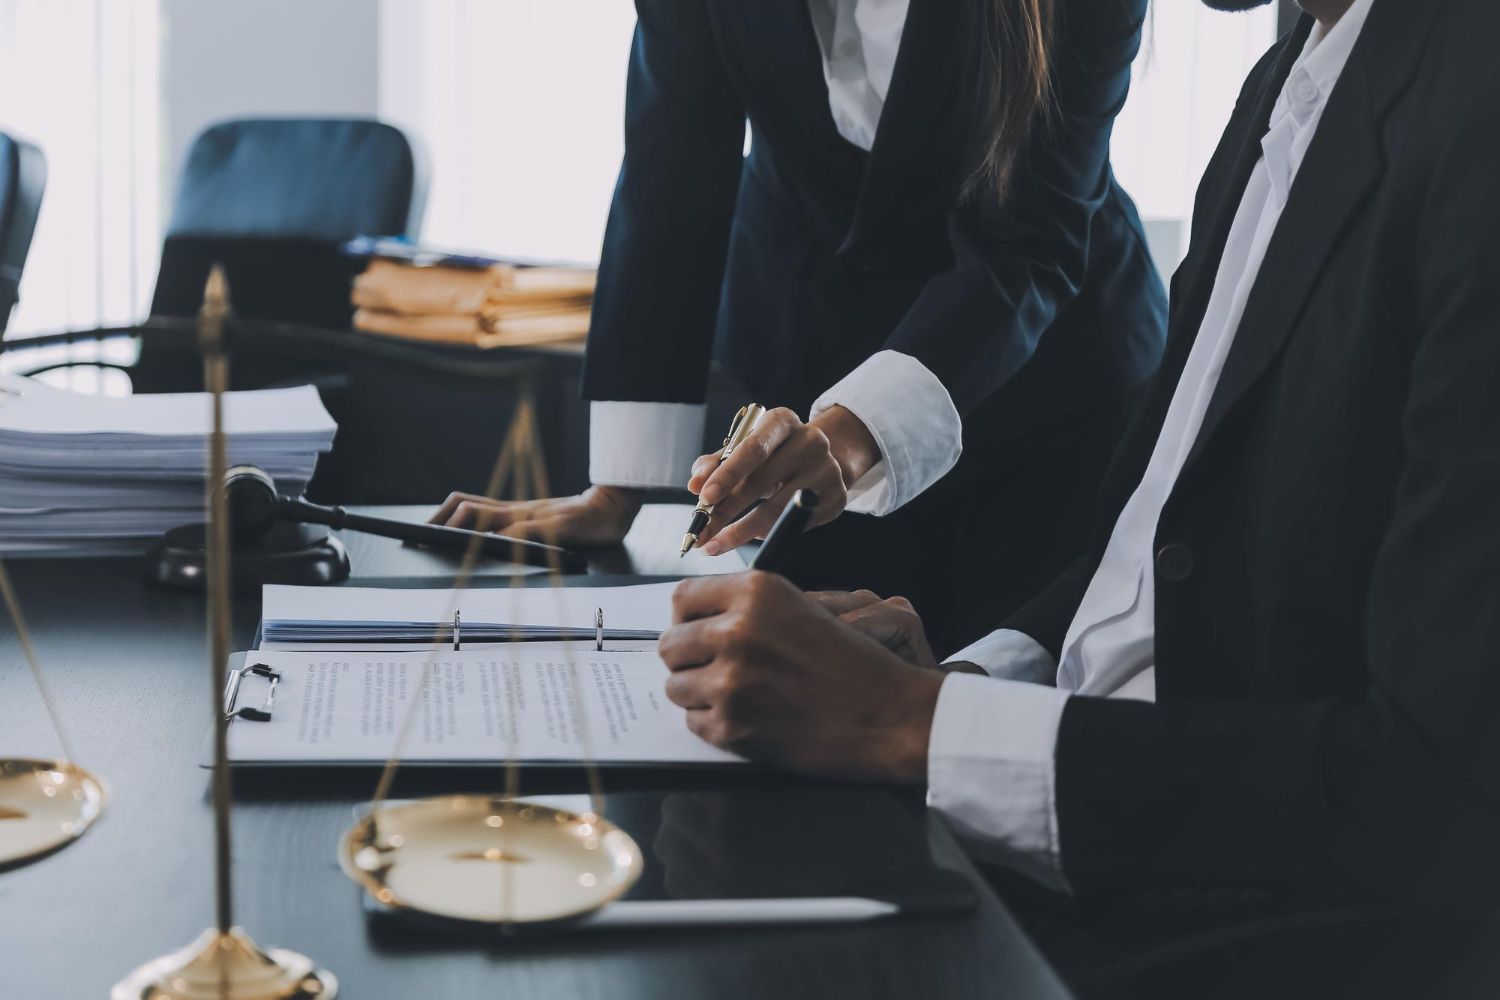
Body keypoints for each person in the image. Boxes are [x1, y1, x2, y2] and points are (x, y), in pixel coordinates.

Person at [658, 0, 1500, 991]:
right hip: (1116, 831)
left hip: (1233, 925)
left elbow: (1441, 800)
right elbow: (1152, 567)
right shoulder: (1287, 84)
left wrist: (916, 727)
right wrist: (969, 682)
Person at [432, 0, 1167, 653]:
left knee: (987, 719)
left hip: (1047, 397)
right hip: (805, 360)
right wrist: (617, 491)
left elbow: (1029, 240)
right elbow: (675, 170)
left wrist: (854, 434)